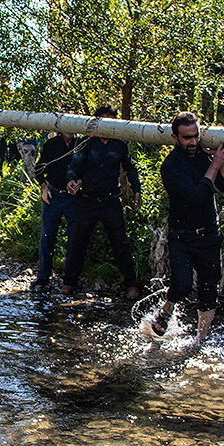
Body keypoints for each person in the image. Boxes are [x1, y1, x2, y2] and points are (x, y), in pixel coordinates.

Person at [153, 112, 224, 342]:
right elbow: (196, 196)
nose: (193, 142)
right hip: (182, 236)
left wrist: (222, 161)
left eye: (196, 136)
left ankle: (200, 340)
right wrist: (215, 165)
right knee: (182, 285)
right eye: (187, 138)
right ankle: (167, 308)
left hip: (209, 234)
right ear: (175, 137)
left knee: (209, 290)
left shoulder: (206, 157)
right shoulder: (170, 166)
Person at [61, 105, 142, 300]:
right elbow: (74, 166)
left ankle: (131, 284)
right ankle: (69, 281)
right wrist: (71, 180)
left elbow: (130, 168)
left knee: (120, 244)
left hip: (111, 201)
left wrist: (137, 190)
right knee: (78, 243)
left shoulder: (120, 144)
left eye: (111, 121)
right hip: (87, 201)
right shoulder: (86, 143)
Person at [31, 129, 81, 289]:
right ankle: (43, 277)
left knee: (74, 238)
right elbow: (39, 168)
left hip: (73, 197)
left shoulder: (81, 144)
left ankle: (70, 278)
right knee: (47, 237)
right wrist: (44, 188)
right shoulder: (51, 144)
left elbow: (88, 169)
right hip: (53, 195)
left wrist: (80, 182)